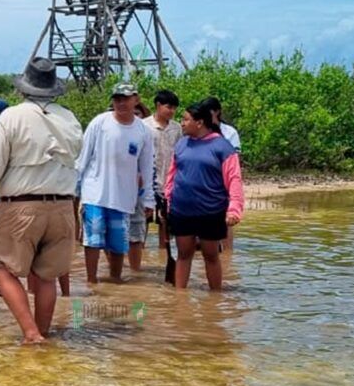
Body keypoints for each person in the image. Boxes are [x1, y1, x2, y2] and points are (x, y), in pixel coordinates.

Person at [0, 58, 83, 343]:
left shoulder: (11, 116)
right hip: (64, 207)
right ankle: (42, 333)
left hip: (23, 205)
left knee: (0, 267)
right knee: (46, 275)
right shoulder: (70, 119)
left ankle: (31, 333)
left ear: (24, 88)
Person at [76, 83, 155, 283]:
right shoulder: (99, 123)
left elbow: (146, 167)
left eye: (125, 98)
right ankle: (91, 281)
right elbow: (83, 158)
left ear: (135, 99)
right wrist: (75, 190)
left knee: (119, 243)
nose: (120, 103)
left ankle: (115, 280)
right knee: (92, 240)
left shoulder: (143, 131)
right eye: (117, 98)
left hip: (124, 196)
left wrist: (148, 200)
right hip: (95, 192)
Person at [165, 101, 245, 290]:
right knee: (183, 254)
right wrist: (168, 201)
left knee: (211, 255)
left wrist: (234, 209)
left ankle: (215, 300)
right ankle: (180, 298)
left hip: (211, 211)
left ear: (199, 122)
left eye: (185, 119)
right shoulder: (182, 144)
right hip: (182, 210)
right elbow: (172, 175)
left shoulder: (222, 146)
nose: (182, 123)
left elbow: (234, 179)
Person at [143, 90, 182, 249]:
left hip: (168, 181)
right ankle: (139, 256)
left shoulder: (177, 128)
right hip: (148, 181)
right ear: (158, 106)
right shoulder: (144, 125)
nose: (172, 111)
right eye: (169, 107)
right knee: (143, 222)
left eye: (174, 108)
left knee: (165, 223)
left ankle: (163, 255)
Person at [203, 96, 241, 251]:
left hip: (222, 179)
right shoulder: (200, 130)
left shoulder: (230, 132)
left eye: (208, 112)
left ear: (217, 112)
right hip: (204, 179)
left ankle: (227, 253)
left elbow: (235, 160)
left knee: (226, 218)